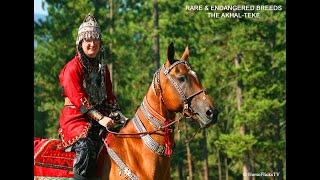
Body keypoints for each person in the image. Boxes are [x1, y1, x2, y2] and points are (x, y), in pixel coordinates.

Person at [58, 13, 119, 180]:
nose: (92, 44)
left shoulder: (102, 69)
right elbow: (79, 100)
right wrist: (101, 119)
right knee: (85, 148)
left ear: (100, 43)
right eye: (87, 40)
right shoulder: (72, 68)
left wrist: (118, 116)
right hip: (75, 121)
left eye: (95, 40)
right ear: (80, 43)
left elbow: (109, 97)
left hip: (99, 120)